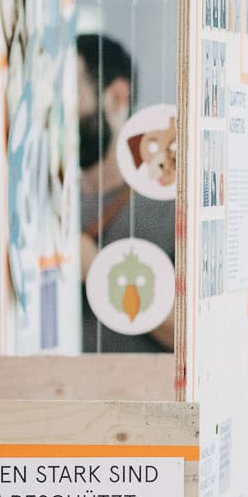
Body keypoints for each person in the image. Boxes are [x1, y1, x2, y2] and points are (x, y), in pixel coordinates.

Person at [77, 33, 174, 352]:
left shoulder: (169, 206)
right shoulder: (48, 201)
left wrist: (97, 270)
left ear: (117, 96)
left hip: (139, 399)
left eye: (67, 93)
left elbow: (192, 340)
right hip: (59, 399)